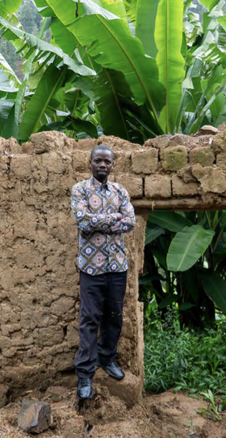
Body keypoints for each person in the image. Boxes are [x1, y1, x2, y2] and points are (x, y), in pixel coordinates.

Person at [70, 144, 136, 400]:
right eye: (98, 160)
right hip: (91, 268)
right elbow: (82, 221)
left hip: (117, 267)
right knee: (89, 321)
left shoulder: (120, 191)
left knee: (114, 317)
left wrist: (99, 220)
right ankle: (85, 374)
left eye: (107, 162)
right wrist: (112, 219)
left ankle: (107, 358)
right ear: (90, 162)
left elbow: (130, 222)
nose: (103, 165)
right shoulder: (80, 190)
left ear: (112, 165)